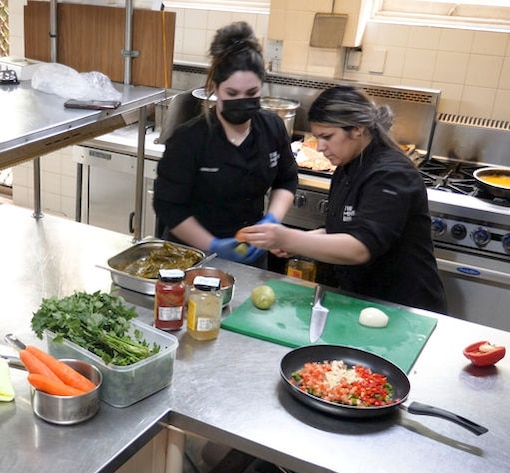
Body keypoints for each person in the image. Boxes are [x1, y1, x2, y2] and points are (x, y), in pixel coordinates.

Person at [238, 86, 447, 313]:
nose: (320, 147)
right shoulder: (347, 165)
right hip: (364, 301)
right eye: (318, 138)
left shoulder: (392, 175)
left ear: (357, 129)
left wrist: (289, 238)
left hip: (406, 308)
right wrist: (302, 241)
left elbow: (360, 247)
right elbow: (341, 229)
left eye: (327, 137)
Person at [153, 21, 297, 266]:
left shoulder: (272, 128)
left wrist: (272, 219)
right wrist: (211, 245)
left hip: (250, 254)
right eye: (232, 94)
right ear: (215, 88)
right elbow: (168, 206)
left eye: (251, 93)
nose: (242, 100)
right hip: (190, 257)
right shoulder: (189, 139)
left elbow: (286, 179)